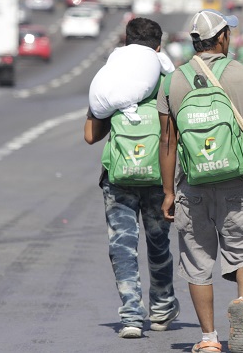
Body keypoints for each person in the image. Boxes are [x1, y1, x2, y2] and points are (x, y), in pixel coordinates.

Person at [157, 9, 243, 353]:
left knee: (197, 263)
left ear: (197, 42)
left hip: (192, 185)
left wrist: (168, 192)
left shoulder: (173, 80)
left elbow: (168, 140)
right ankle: (242, 301)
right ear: (222, 38)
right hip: (237, 182)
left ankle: (209, 339)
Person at [84, 17, 179, 339]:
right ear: (159, 46)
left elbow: (90, 136)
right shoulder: (167, 79)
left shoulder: (114, 79)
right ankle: (162, 308)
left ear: (125, 42)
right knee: (158, 243)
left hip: (119, 177)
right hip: (158, 177)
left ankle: (130, 317)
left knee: (122, 245)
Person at [89, 17, 174, 122]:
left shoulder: (113, 64)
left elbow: (90, 137)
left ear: (126, 43)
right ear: (158, 48)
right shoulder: (163, 79)